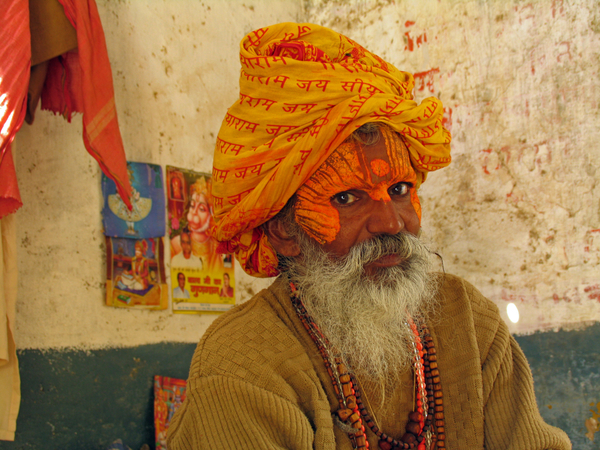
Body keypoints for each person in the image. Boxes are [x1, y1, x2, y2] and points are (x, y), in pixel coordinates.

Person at [168, 23, 571, 450]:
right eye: (347, 197)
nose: (391, 223)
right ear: (284, 231)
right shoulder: (241, 363)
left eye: (399, 190)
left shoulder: (468, 320)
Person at [170, 177, 222, 271]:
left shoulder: (215, 248)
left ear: (211, 215)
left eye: (201, 209)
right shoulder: (175, 244)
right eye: (192, 205)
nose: (194, 212)